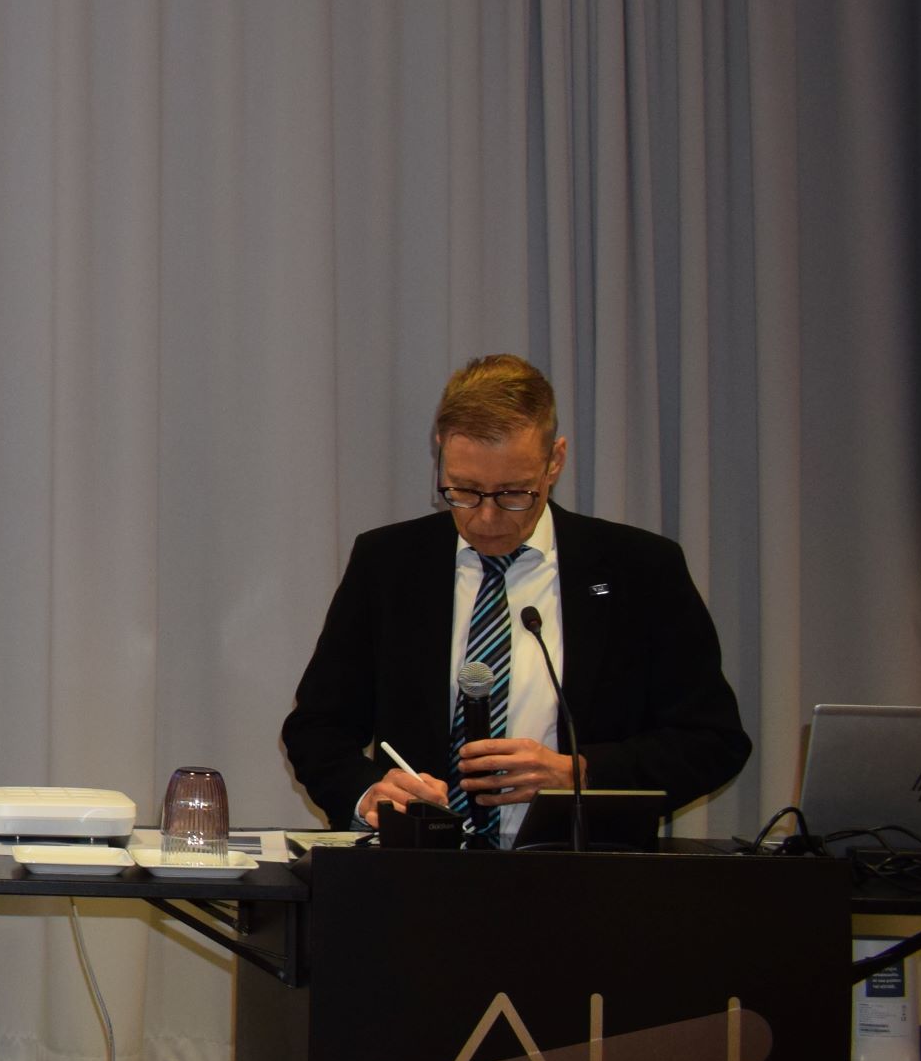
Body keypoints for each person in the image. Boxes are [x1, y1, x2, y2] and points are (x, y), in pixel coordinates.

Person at [284, 353, 752, 841]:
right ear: (441, 451)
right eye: (464, 491)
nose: (486, 519)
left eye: (513, 494)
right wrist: (369, 794)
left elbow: (712, 741)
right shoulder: (388, 562)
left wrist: (581, 774)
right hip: (418, 870)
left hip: (584, 872)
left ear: (555, 461)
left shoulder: (639, 568)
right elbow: (317, 729)